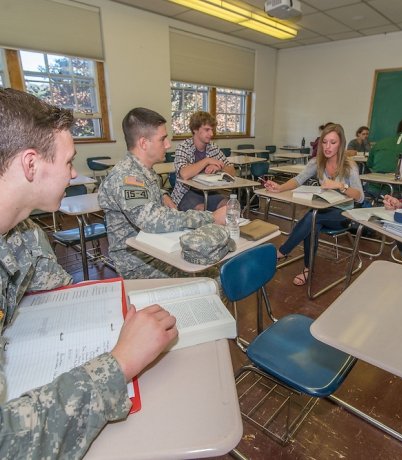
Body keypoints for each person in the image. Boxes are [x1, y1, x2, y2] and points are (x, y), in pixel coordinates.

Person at [0, 88, 178, 458]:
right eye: (68, 162)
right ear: (31, 164)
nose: (75, 173)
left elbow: (62, 296)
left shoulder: (25, 234)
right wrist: (119, 364)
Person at [98, 108, 227, 279]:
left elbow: (148, 191)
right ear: (144, 143)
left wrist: (163, 194)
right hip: (138, 262)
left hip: (157, 246)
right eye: (163, 139)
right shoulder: (126, 176)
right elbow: (153, 220)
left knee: (212, 266)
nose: (168, 145)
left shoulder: (143, 170)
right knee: (212, 277)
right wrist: (211, 218)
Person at [264, 123, 364, 286]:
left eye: (333, 142)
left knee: (313, 217)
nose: (328, 147)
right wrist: (279, 187)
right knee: (313, 222)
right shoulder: (316, 162)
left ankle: (282, 252)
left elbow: (360, 197)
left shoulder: (349, 166)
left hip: (345, 213)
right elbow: (298, 180)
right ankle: (307, 269)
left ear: (341, 144)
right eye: (325, 142)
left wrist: (340, 186)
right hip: (323, 209)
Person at [171, 111, 236, 211]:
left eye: (212, 130)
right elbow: (184, 173)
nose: (211, 133)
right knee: (202, 211)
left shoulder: (213, 147)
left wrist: (219, 167)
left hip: (209, 192)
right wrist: (207, 161)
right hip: (185, 194)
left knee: (229, 208)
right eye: (207, 130)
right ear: (195, 129)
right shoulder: (183, 147)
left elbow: (232, 171)